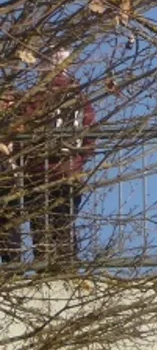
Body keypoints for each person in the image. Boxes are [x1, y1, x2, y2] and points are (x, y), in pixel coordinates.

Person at [23, 52, 95, 268]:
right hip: (69, 169)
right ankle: (66, 264)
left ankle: (43, 266)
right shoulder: (79, 96)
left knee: (40, 221)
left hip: (38, 170)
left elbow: (24, 127)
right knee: (64, 220)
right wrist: (81, 158)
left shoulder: (34, 97)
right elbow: (89, 131)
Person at [0, 90, 22, 265]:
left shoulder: (20, 122)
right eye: (4, 100)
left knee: (10, 222)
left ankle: (12, 264)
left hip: (11, 178)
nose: (7, 104)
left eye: (11, 100)